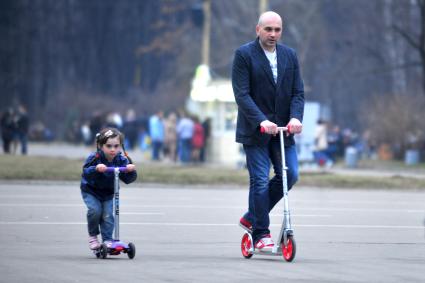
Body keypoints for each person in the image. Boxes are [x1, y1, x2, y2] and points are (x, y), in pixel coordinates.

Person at [231, 11, 304, 251]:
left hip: (283, 131)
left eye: (277, 30)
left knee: (290, 174)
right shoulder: (244, 55)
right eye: (268, 29)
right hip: (256, 132)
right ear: (258, 30)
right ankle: (261, 231)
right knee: (260, 180)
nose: (273, 34)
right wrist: (261, 121)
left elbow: (297, 93)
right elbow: (242, 94)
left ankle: (252, 215)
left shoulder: (289, 56)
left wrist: (295, 117)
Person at [80, 127, 137, 250]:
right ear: (101, 145)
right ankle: (93, 236)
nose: (113, 149)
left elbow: (128, 179)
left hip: (108, 193)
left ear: (120, 146)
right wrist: (96, 168)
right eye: (109, 146)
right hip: (91, 191)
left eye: (116, 146)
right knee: (95, 211)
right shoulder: (95, 157)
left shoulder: (121, 159)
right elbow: (86, 172)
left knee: (108, 215)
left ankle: (107, 240)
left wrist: (130, 170)